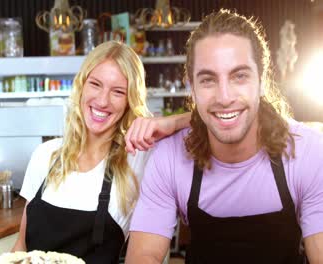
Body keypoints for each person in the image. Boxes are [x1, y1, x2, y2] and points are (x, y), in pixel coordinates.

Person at [126, 9, 323, 264]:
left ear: (262, 80)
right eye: (208, 80)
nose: (224, 97)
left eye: (239, 76)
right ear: (192, 88)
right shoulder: (170, 156)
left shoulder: (307, 152)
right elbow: (144, 256)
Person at [11, 40, 191, 263]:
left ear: (129, 100)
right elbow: (21, 247)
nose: (102, 100)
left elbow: (212, 120)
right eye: (95, 84)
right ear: (82, 85)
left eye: (118, 91)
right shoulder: (45, 155)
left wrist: (172, 123)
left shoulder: (138, 158)